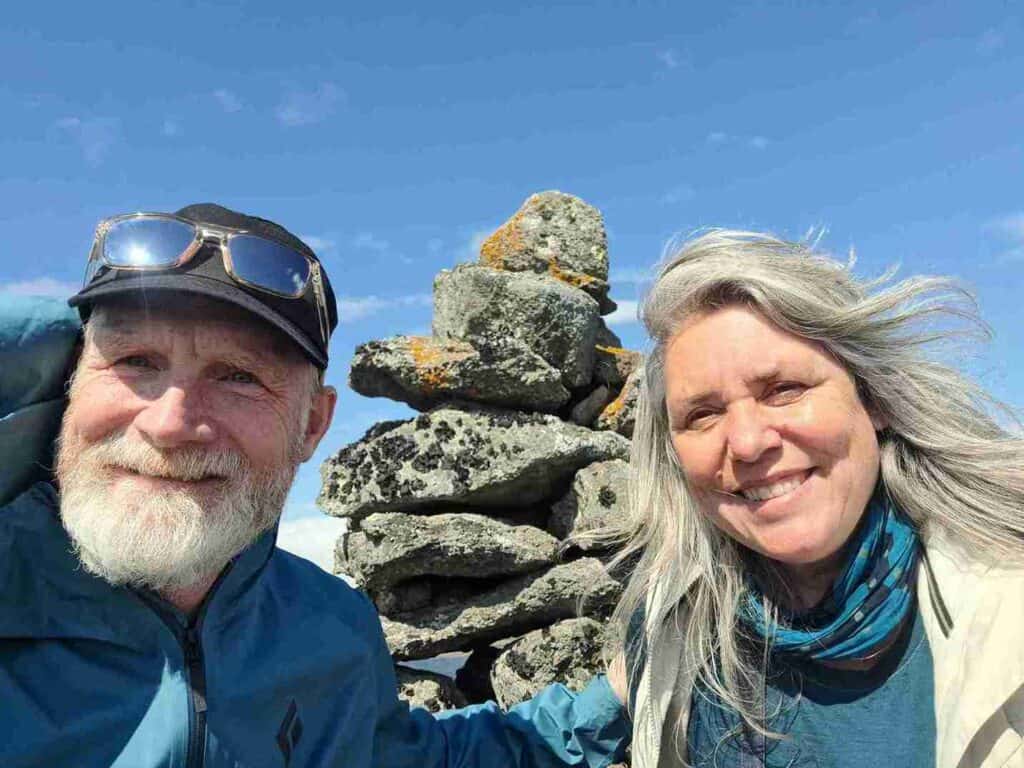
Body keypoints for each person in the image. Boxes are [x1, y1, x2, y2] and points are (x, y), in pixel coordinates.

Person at [0, 203, 630, 768]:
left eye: (239, 376)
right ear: (68, 378)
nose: (170, 424)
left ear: (312, 425)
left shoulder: (328, 627)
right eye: (134, 362)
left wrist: (622, 698)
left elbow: (413, 760)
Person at [603, 230, 1024, 768]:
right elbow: (582, 719)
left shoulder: (1005, 606)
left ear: (873, 400)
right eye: (703, 415)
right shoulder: (675, 624)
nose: (749, 442)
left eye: (784, 390)